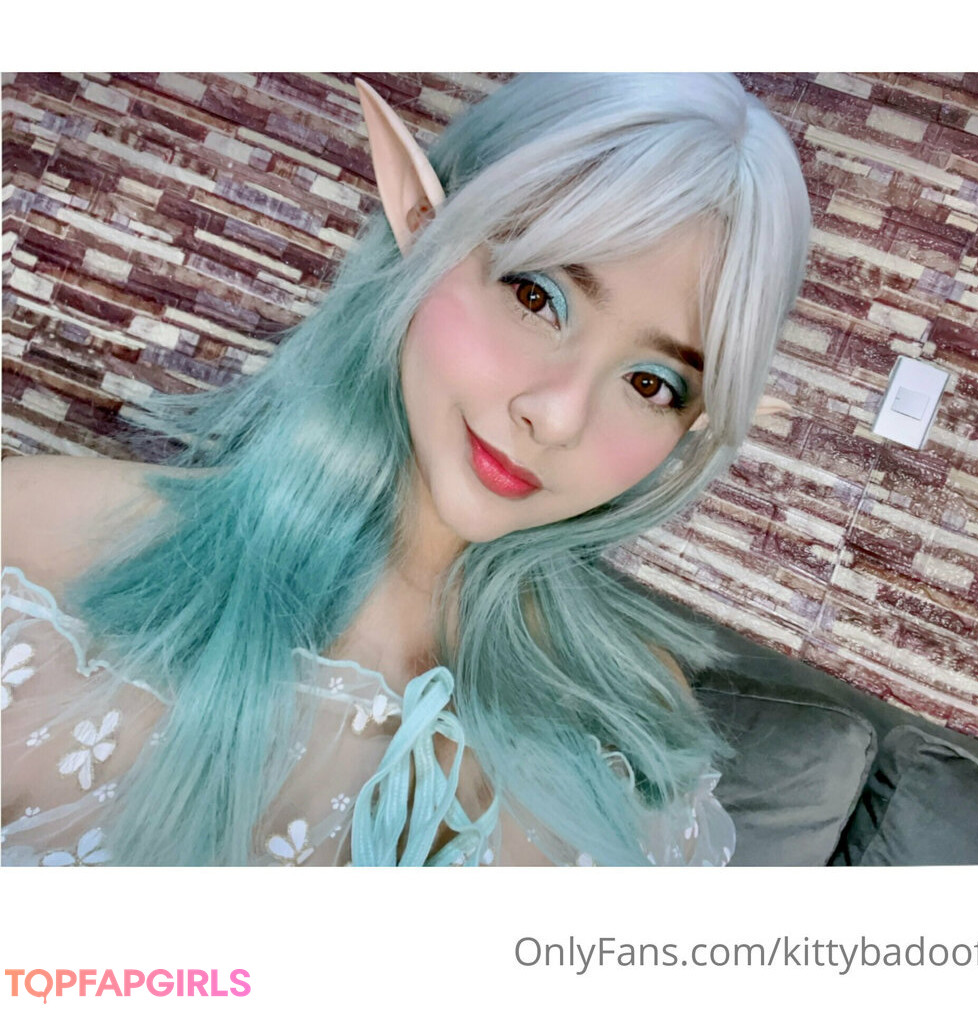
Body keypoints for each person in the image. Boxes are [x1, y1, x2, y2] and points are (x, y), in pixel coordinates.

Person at [1, 73, 811, 866]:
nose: (559, 416)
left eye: (652, 384)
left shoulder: (632, 722)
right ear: (421, 220)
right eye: (537, 296)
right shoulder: (36, 546)